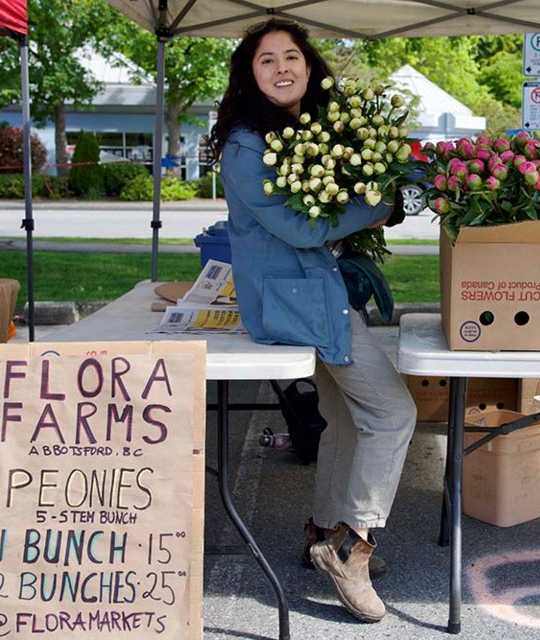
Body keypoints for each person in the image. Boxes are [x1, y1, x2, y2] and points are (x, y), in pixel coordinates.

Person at [206, 18, 417, 624]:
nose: (280, 67)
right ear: (249, 75)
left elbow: (316, 212)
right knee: (391, 411)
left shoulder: (304, 131)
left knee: (348, 419)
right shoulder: (248, 144)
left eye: (290, 56)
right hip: (298, 301)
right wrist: (375, 204)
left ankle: (321, 528)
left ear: (308, 65)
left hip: (306, 292)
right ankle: (351, 544)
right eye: (265, 59)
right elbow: (298, 225)